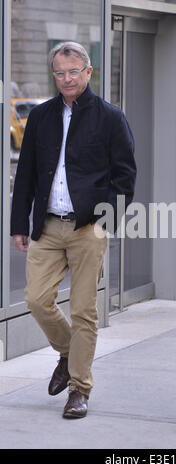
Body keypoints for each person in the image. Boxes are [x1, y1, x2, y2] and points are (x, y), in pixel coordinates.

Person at [10, 42, 136, 419]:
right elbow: (27, 174)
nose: (66, 78)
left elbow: (125, 176)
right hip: (47, 226)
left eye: (73, 71)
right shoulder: (41, 116)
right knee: (36, 299)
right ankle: (67, 353)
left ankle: (79, 389)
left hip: (87, 229)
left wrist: (104, 222)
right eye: (59, 73)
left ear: (88, 72)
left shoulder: (110, 118)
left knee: (84, 312)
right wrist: (20, 224)